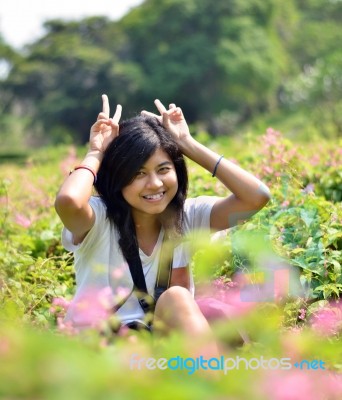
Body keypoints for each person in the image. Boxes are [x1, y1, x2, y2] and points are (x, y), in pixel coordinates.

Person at [54, 94, 270, 349]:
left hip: (161, 347)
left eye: (164, 169)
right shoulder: (99, 219)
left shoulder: (187, 216)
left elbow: (256, 197)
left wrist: (186, 143)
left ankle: (213, 383)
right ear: (117, 179)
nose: (155, 184)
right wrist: (96, 152)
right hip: (101, 352)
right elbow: (68, 201)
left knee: (178, 298)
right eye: (138, 174)